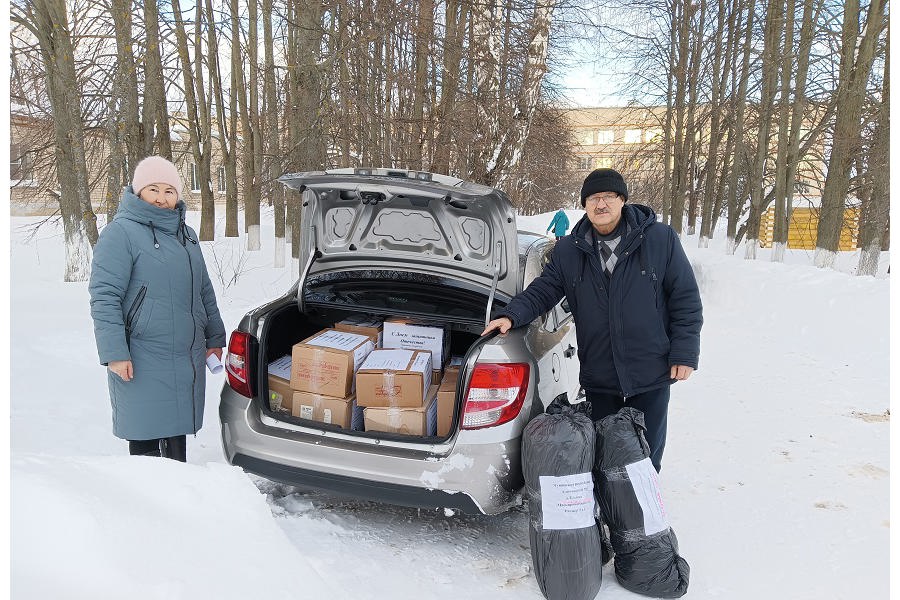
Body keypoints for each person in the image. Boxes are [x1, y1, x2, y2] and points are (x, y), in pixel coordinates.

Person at [483, 168, 702, 472]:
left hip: (650, 369)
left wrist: (684, 353)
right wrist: (510, 315)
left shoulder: (659, 240)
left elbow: (685, 299)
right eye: (593, 198)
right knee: (605, 453)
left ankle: (643, 515)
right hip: (601, 373)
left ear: (622, 200)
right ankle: (610, 511)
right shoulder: (569, 251)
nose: (601, 204)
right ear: (585, 205)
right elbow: (543, 290)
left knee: (646, 454)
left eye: (608, 197)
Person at [89, 156, 226, 462]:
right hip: (141, 353)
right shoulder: (120, 234)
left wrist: (215, 338)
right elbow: (104, 296)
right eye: (154, 189)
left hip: (184, 353)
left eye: (169, 190)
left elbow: (204, 290)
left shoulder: (187, 235)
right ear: (138, 192)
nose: (162, 198)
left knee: (177, 432)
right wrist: (115, 353)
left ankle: (177, 498)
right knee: (146, 433)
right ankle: (148, 504)